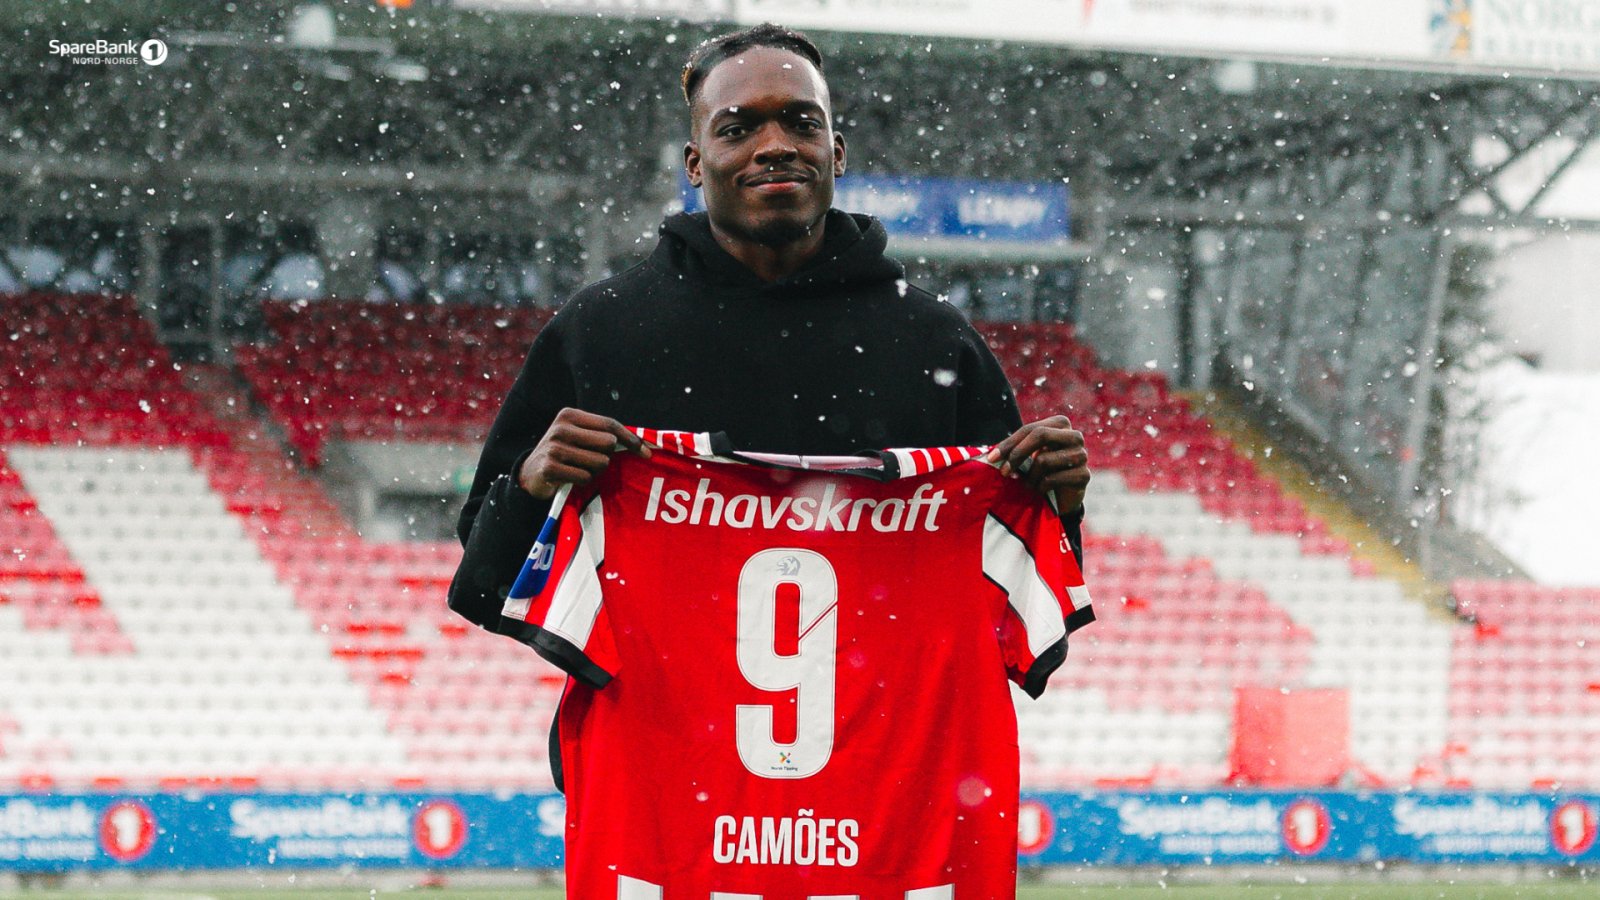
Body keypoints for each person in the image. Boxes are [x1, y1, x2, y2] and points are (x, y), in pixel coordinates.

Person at [449, 22, 1090, 635]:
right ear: (695, 163)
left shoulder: (937, 342)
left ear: (836, 151)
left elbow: (1021, 606)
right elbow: (486, 587)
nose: (776, 145)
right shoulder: (599, 331)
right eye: (738, 128)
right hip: (658, 717)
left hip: (882, 716)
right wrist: (530, 488)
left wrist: (1058, 506)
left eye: (802, 123)